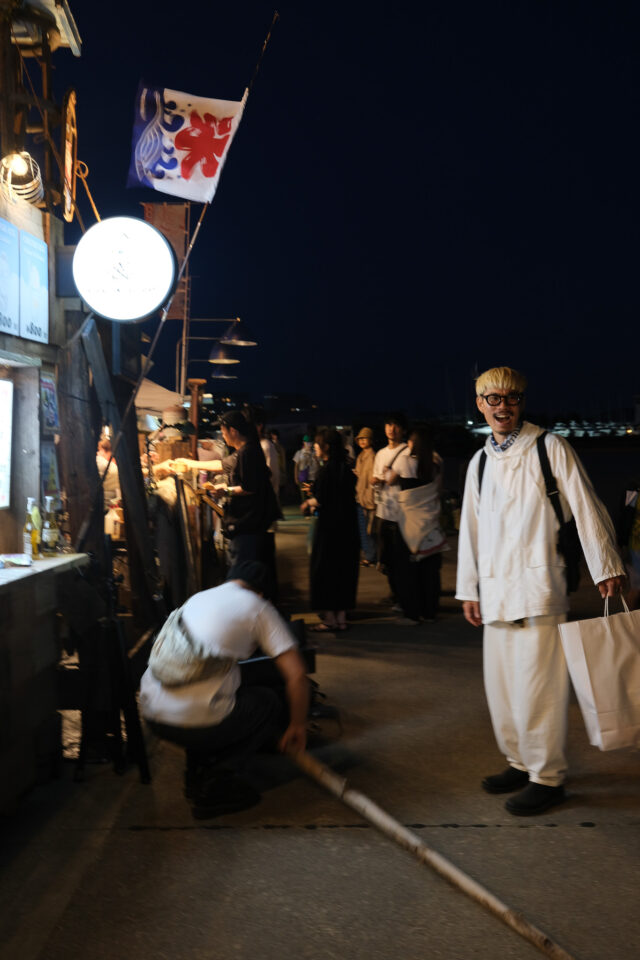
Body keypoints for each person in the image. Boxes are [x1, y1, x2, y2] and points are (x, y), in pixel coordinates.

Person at [456, 366, 625, 816]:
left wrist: (605, 565)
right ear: (480, 404)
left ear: (522, 402)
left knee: (538, 688)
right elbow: (470, 529)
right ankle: (518, 761)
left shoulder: (549, 447)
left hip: (538, 586)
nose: (502, 406)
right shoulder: (479, 462)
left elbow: (586, 505)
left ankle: (547, 776)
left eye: (511, 398)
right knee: (502, 687)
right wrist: (468, 588)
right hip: (496, 591)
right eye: (493, 398)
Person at [140, 561, 309, 818]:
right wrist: (297, 725)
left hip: (153, 717)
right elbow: (297, 676)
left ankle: (195, 777)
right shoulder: (258, 607)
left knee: (211, 694)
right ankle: (216, 786)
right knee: (267, 703)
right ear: (261, 592)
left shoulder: (198, 598)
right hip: (194, 722)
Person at [302, 428, 359, 632]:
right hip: (348, 527)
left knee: (325, 571)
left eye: (317, 445)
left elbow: (322, 499)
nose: (315, 448)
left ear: (325, 447)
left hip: (328, 528)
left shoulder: (326, 470)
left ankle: (329, 619)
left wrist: (308, 502)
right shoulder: (346, 467)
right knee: (344, 571)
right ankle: (341, 618)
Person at [391, 427, 447, 624]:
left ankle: (412, 613)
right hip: (429, 522)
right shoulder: (436, 462)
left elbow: (390, 481)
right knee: (430, 571)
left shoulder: (403, 461)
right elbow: (438, 490)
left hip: (408, 523)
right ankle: (429, 611)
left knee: (408, 570)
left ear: (413, 443)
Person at [372, 413, 409, 606]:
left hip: (401, 513)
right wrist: (376, 481)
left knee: (400, 557)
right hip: (383, 512)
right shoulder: (380, 454)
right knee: (386, 557)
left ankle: (402, 596)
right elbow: (376, 477)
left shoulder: (407, 452)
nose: (391, 429)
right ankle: (394, 592)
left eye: (396, 425)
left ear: (403, 430)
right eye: (388, 425)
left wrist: (390, 478)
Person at [354, 427, 377, 566]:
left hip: (369, 499)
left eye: (365, 438)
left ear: (371, 440)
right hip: (360, 497)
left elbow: (372, 480)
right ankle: (368, 555)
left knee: (369, 530)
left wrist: (368, 499)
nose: (362, 441)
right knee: (363, 528)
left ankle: (371, 557)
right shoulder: (360, 456)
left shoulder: (373, 456)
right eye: (360, 438)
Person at [617, 476, 640, 610]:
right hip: (635, 547)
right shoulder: (633, 491)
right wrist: (620, 542)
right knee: (637, 587)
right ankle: (629, 616)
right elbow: (625, 518)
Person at [293, 435, 320, 502]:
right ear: (304, 442)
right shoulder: (299, 453)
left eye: (310, 443)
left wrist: (316, 460)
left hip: (313, 477)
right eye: (307, 442)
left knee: (313, 496)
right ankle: (306, 507)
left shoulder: (316, 452)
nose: (309, 444)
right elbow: (296, 466)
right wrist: (296, 477)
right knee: (304, 496)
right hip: (303, 478)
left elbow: (320, 464)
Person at [96, 437, 120, 512]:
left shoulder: (97, 462)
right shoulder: (112, 467)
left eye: (99, 450)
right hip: (108, 509)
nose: (98, 453)